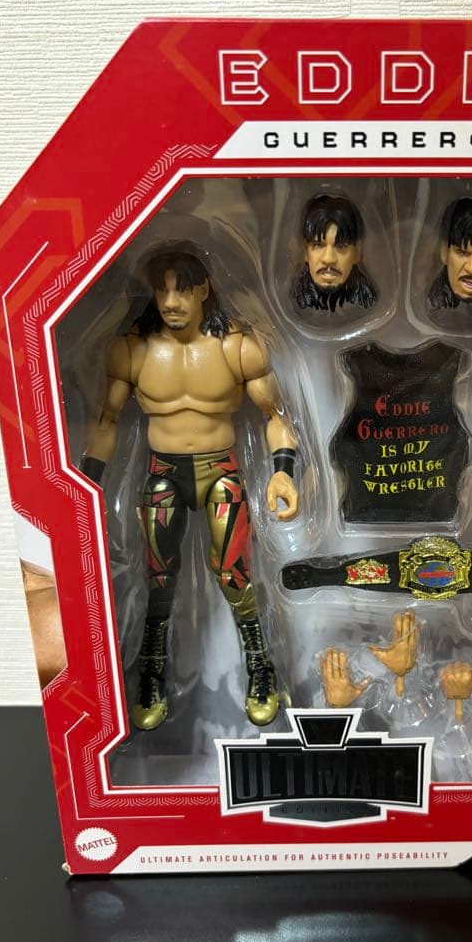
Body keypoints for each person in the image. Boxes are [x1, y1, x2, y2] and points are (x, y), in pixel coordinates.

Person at [81, 247, 299, 730]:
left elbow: (276, 416)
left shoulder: (236, 347)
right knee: (158, 577)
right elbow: (106, 421)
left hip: (220, 470)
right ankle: (151, 671)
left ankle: (261, 667)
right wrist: (85, 485)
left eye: (181, 289)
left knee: (234, 573)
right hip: (163, 473)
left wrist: (283, 471)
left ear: (203, 289)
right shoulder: (133, 349)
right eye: (162, 290)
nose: (171, 301)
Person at [292, 195, 377, 312]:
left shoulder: (367, 301)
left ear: (357, 252)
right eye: (318, 245)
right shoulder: (293, 301)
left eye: (341, 246)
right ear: (306, 252)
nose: (329, 259)